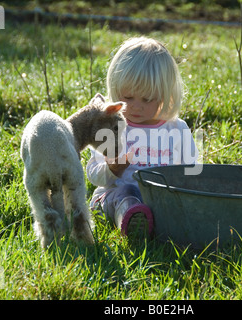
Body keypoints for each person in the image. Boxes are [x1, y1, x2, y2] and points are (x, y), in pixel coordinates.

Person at [87, 36, 198, 237]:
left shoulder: (177, 130)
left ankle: (155, 221)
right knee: (126, 194)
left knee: (172, 204)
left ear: (165, 95)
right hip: (113, 196)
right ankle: (131, 222)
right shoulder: (111, 127)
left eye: (147, 99)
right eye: (127, 97)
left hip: (160, 199)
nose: (136, 106)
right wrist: (111, 169)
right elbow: (94, 174)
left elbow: (192, 173)